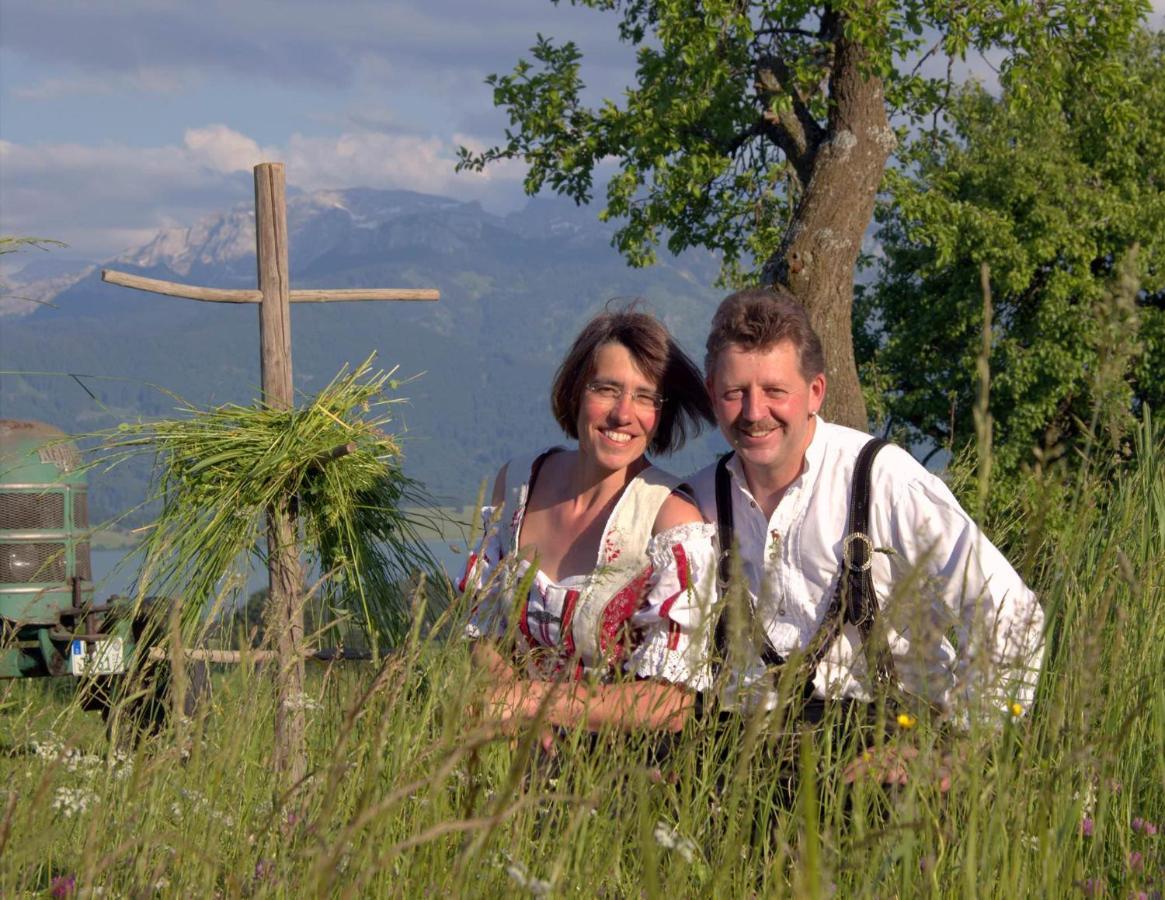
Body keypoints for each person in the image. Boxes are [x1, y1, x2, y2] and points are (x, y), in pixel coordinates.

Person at [687, 287, 1045, 736]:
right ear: (711, 394)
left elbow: (1010, 610)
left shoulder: (883, 481)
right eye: (735, 392)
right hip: (742, 756)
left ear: (815, 391)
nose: (755, 412)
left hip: (885, 745)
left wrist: (956, 750)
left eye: (775, 391)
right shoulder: (698, 502)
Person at [462, 307, 718, 736]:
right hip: (507, 756)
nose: (623, 413)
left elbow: (672, 701)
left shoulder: (671, 520)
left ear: (661, 413)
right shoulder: (518, 483)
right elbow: (483, 626)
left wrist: (531, 703)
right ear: (577, 390)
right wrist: (521, 718)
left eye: (645, 397)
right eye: (607, 389)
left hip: (622, 773)